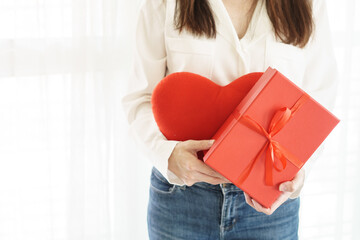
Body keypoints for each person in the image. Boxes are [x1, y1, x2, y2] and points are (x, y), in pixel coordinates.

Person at [121, 0, 338, 239]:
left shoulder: (308, 4)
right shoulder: (164, 4)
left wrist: (297, 170)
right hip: (182, 200)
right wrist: (168, 155)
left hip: (270, 206)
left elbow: (319, 99)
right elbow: (140, 98)